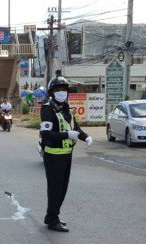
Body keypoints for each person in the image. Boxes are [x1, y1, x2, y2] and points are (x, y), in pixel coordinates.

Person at [39, 72, 93, 232]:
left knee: (62, 188)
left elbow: (74, 127)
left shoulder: (66, 108)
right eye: (58, 90)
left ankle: (52, 216)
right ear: (51, 93)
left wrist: (86, 137)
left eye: (64, 89)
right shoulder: (48, 110)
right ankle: (52, 219)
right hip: (53, 155)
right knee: (55, 188)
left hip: (66, 154)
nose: (62, 92)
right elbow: (47, 135)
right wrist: (67, 135)